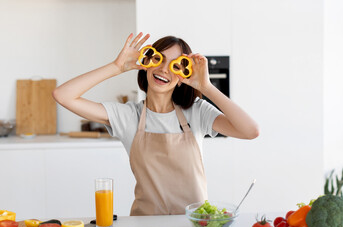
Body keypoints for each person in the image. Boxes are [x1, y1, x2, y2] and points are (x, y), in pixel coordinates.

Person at [53, 32, 259, 216]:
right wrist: (116, 67)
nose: (164, 69)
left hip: (194, 225)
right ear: (146, 65)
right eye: (158, 59)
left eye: (175, 65)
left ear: (182, 77)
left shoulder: (197, 111)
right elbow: (62, 95)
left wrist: (205, 86)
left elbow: (250, 131)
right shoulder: (127, 116)